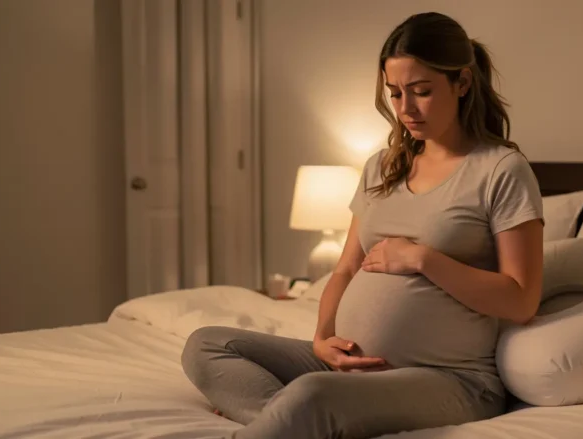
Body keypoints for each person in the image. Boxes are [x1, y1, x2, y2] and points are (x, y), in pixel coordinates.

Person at [181, 11, 544, 439]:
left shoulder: (501, 170)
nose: (405, 109)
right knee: (206, 345)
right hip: (345, 367)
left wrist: (422, 259)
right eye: (395, 94)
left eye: (422, 91)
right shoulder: (382, 167)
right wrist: (322, 339)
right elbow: (346, 268)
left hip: (450, 379)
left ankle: (290, 418)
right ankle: (285, 418)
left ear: (462, 83)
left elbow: (521, 300)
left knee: (313, 394)